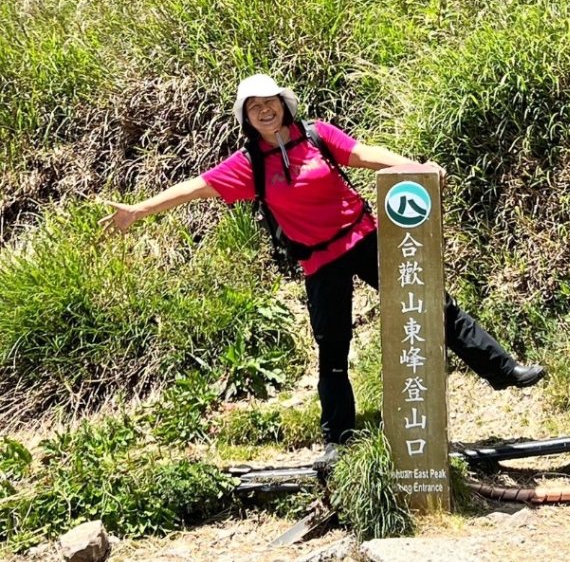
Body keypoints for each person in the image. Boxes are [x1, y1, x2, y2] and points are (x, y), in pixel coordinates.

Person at [101, 74, 545, 464]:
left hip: (365, 236)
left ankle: (503, 371)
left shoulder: (316, 136)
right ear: (246, 118)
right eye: (254, 108)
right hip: (319, 259)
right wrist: (138, 210)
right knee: (332, 349)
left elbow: (364, 154)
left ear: (284, 103)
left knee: (431, 304)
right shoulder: (251, 164)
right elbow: (196, 188)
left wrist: (415, 168)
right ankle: (338, 440)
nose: (264, 111)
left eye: (269, 102)